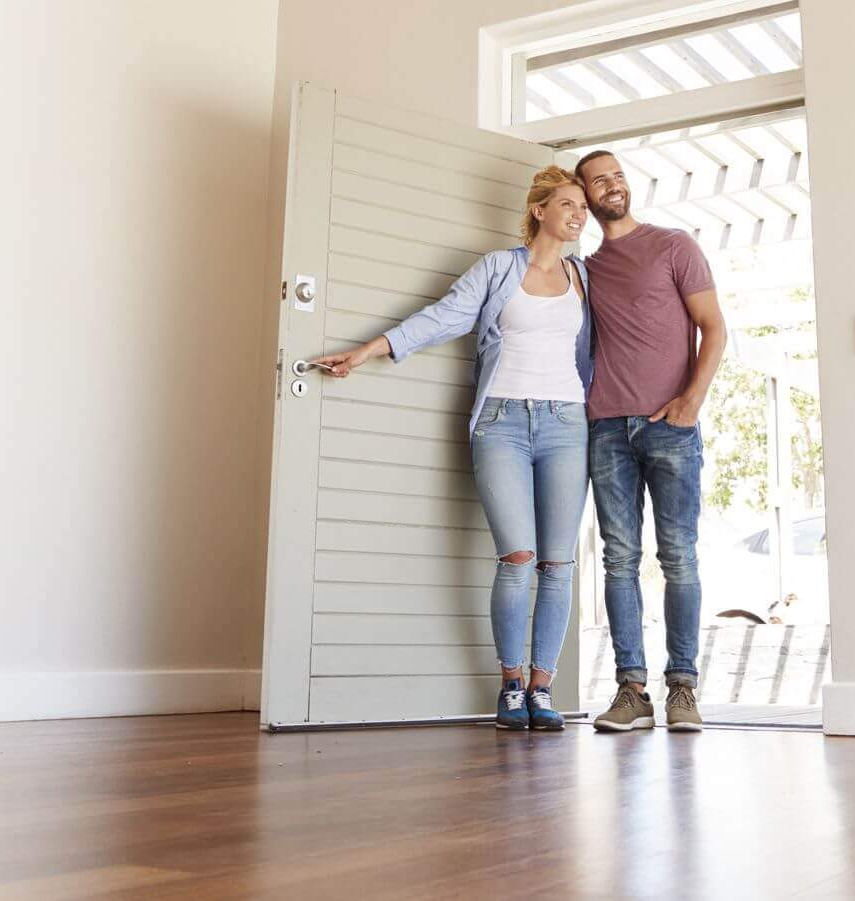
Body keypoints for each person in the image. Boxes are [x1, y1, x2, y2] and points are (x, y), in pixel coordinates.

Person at [310, 166, 593, 732]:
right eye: (568, 203)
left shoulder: (586, 276)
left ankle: (544, 687)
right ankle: (511, 686)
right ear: (539, 210)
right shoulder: (497, 268)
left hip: (568, 425)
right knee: (518, 558)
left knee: (559, 563)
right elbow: (443, 317)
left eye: (583, 208)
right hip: (502, 422)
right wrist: (371, 349)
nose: (579, 214)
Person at [574, 149, 728, 734]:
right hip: (606, 429)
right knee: (619, 560)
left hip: (671, 427)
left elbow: (714, 328)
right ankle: (631, 691)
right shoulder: (585, 270)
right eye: (599, 181)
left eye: (618, 175)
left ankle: (682, 689)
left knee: (679, 557)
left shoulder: (674, 246)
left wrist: (691, 402)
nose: (612, 185)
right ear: (585, 198)